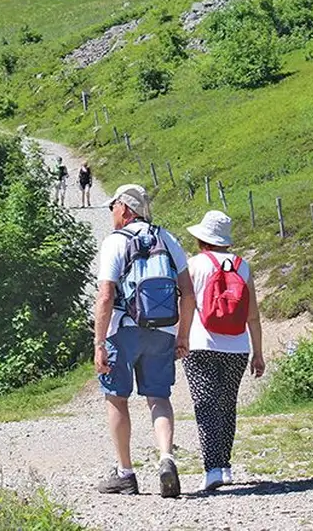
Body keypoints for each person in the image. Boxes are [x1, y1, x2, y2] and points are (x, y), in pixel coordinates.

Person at [94, 184, 194, 498]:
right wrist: (182, 335)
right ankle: (166, 458)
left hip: (122, 330)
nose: (111, 212)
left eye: (113, 206)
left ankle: (125, 473)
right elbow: (189, 294)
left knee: (116, 398)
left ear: (125, 208)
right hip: (162, 330)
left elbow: (106, 296)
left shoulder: (116, 242)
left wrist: (99, 343)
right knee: (158, 397)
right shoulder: (168, 238)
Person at [182, 210, 264, 492]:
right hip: (238, 347)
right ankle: (225, 466)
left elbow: (188, 306)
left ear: (202, 239)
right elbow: (253, 315)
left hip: (201, 344)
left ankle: (212, 468)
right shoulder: (243, 266)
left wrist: (179, 340)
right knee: (227, 405)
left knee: (205, 405)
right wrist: (258, 352)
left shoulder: (194, 264)